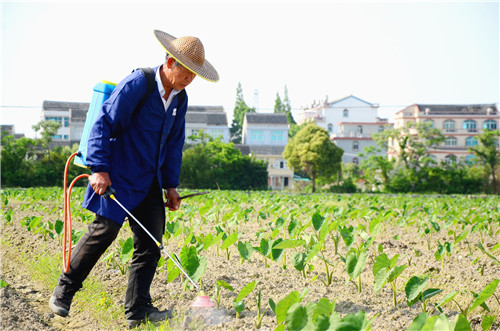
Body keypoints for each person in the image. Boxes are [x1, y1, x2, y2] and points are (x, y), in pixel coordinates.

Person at [49, 30, 219, 328]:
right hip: (120, 174)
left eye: (194, 75)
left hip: (150, 180)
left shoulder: (181, 99)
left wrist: (171, 185)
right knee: (103, 232)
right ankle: (64, 290)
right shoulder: (139, 83)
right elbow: (104, 123)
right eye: (186, 72)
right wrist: (99, 168)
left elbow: (174, 144)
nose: (189, 79)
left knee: (151, 243)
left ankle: (138, 310)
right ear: (169, 62)